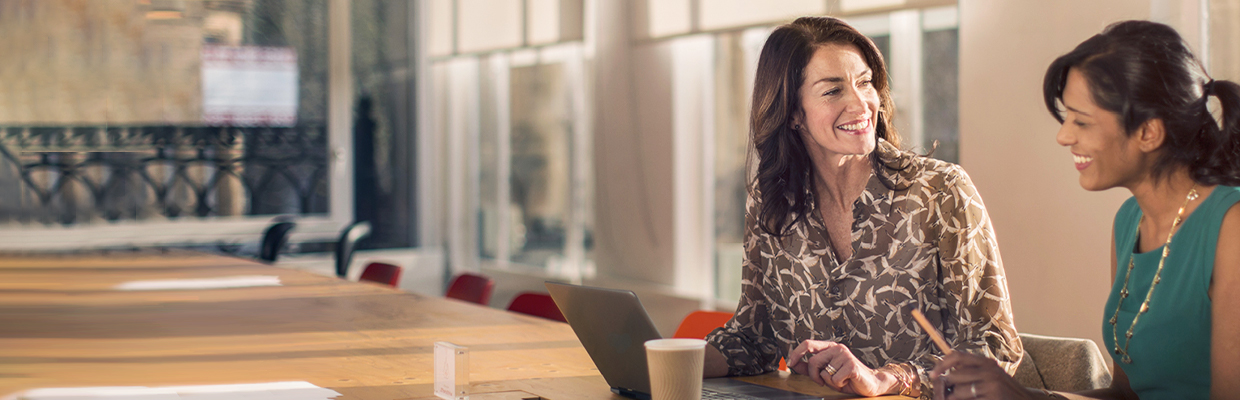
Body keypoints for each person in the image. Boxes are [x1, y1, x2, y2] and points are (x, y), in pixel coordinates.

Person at [701, 16, 1023, 398]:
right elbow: (756, 338)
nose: (861, 103)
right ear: (792, 113)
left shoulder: (940, 192)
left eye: (865, 82)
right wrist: (668, 362)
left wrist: (886, 378)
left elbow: (996, 346)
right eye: (833, 90)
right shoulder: (772, 202)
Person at [929, 20, 1240, 400]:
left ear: (1149, 132)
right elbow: (1126, 396)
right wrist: (1018, 393)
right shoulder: (1130, 222)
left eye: (1081, 121)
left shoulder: (1231, 228)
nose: (1064, 136)